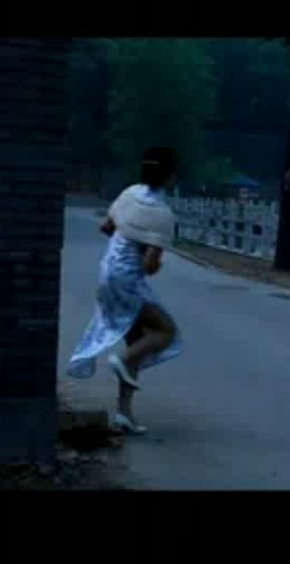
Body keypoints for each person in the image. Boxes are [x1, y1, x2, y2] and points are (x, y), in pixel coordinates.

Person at [67, 147, 182, 435]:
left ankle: (124, 413)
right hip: (128, 280)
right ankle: (124, 360)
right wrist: (148, 255)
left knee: (135, 338)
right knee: (165, 331)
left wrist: (129, 236)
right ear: (170, 176)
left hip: (107, 271)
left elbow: (106, 227)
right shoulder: (162, 214)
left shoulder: (129, 194)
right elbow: (150, 265)